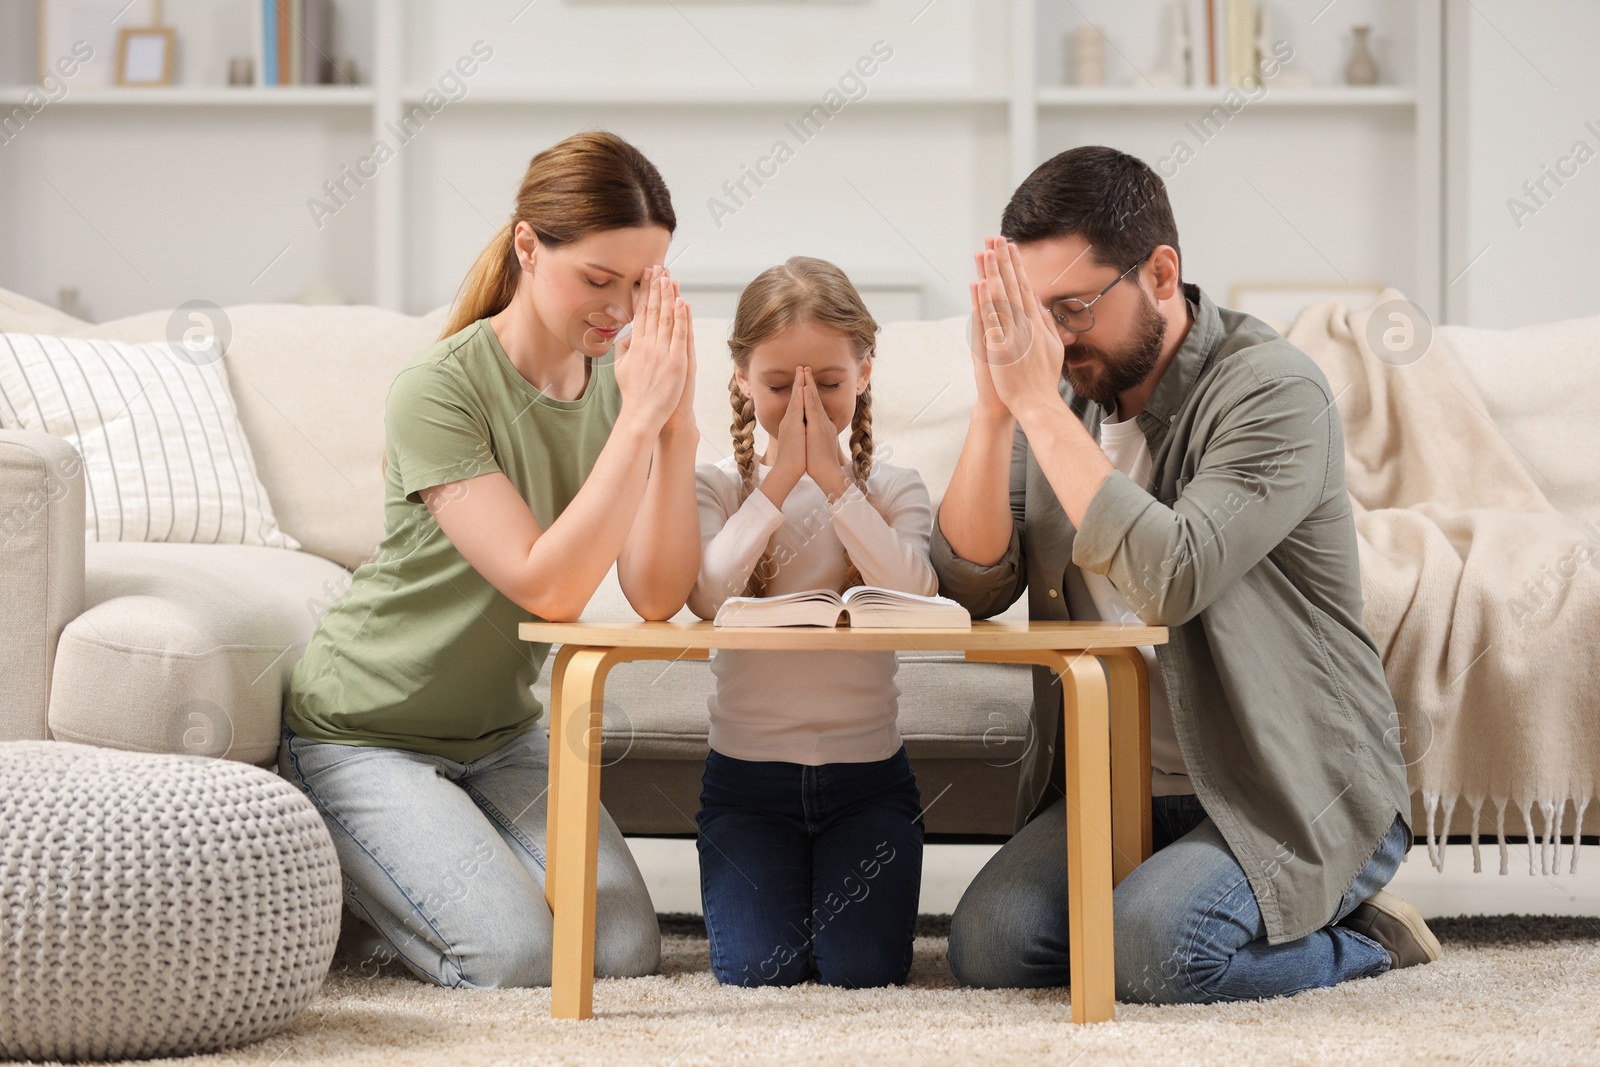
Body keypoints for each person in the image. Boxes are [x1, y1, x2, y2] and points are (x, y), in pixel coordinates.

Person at [935, 145, 1440, 1003]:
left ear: (1161, 272)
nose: (1050, 340)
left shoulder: (1273, 390)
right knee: (987, 945)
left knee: (1153, 953)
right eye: (1032, 312)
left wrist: (1032, 405)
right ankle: (1203, 896)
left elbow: (1172, 574)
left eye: (1072, 307)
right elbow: (974, 585)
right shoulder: (1057, 400)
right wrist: (993, 416)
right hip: (1124, 783)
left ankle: (1366, 938)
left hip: (1284, 786)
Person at [277, 131, 702, 988]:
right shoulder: (439, 389)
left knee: (620, 950)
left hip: (502, 736)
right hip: (367, 733)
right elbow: (548, 586)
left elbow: (658, 594)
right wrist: (633, 426)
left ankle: (411, 874)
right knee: (514, 958)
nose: (618, 311)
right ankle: (369, 880)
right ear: (526, 246)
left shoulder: (623, 383)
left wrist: (674, 426)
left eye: (639, 284)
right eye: (597, 279)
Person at [686, 257, 933, 988]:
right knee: (759, 969)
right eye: (778, 386)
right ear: (740, 378)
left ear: (863, 371)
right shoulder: (719, 487)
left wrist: (835, 486)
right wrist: (777, 485)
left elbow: (915, 591)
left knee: (861, 970)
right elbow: (705, 595)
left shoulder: (893, 487)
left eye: (828, 384)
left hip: (869, 785)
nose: (807, 405)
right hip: (744, 787)